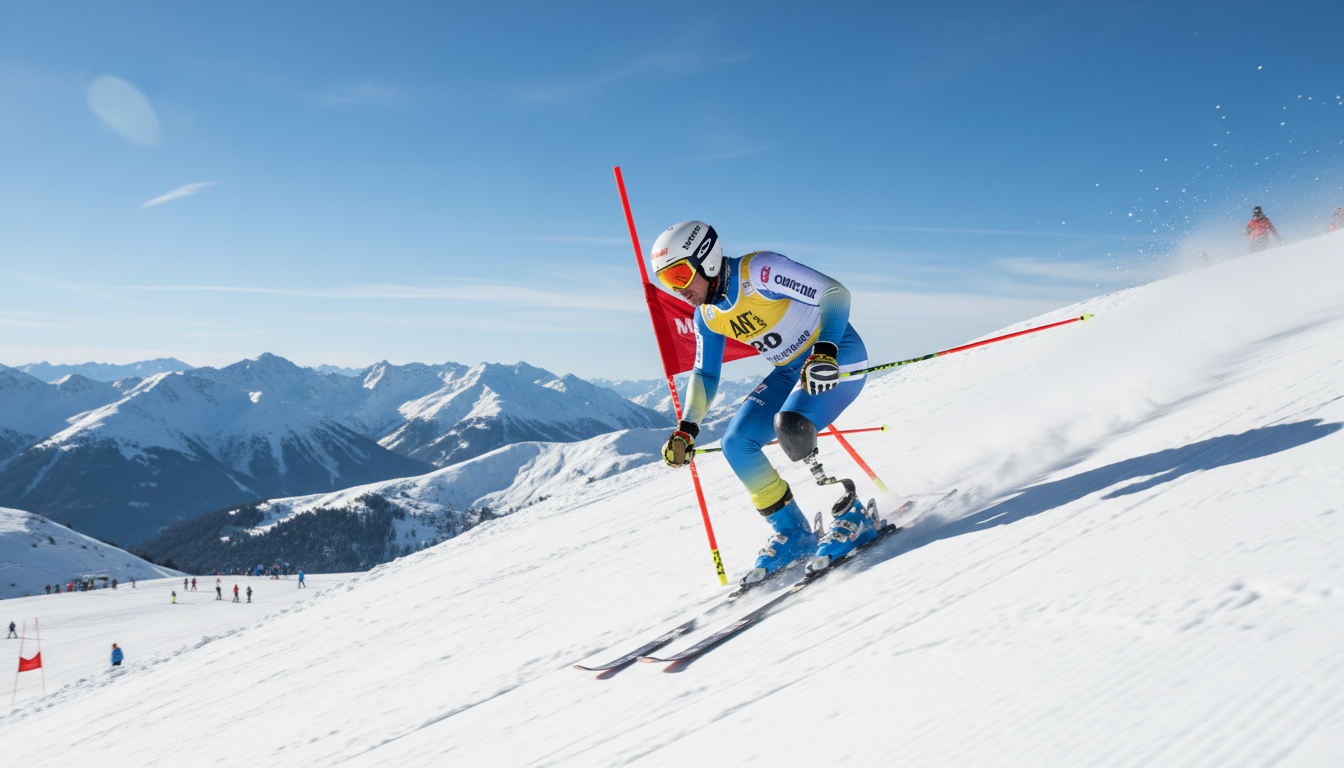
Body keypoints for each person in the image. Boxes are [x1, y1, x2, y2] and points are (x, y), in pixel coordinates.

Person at [650, 220, 875, 588]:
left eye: (679, 274)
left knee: (791, 426)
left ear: (706, 260)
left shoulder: (759, 271)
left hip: (837, 357)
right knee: (736, 444)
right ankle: (793, 532)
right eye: (667, 282)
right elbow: (705, 375)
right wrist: (687, 429)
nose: (678, 289)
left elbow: (834, 293)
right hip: (790, 371)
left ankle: (854, 515)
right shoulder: (706, 315)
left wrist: (825, 350)